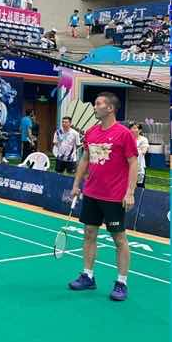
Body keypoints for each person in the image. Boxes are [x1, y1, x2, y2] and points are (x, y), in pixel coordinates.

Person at [68, 92, 138, 301]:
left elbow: (133, 162)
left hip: (114, 196)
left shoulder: (124, 134)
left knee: (119, 239)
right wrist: (76, 184)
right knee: (89, 234)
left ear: (110, 108)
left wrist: (130, 192)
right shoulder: (91, 132)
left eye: (98, 104)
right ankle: (88, 276)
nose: (94, 107)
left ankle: (121, 282)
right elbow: (85, 159)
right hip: (92, 193)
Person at [132, 122, 149, 186]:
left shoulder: (143, 139)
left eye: (134, 128)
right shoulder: (127, 138)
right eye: (131, 128)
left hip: (139, 166)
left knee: (139, 186)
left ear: (140, 130)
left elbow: (144, 151)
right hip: (127, 166)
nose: (132, 130)